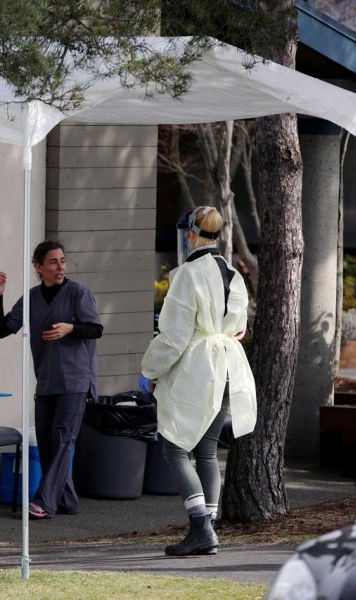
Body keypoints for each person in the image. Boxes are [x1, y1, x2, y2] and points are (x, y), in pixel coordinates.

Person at [139, 206, 257, 556]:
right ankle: (209, 528)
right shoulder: (234, 275)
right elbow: (240, 328)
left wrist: (149, 370)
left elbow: (174, 337)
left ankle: (201, 528)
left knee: (174, 447)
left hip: (199, 368)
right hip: (229, 365)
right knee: (207, 451)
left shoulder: (188, 274)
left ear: (191, 234)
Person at [0, 241, 103, 520]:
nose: (60, 267)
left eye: (62, 261)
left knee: (64, 439)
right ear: (39, 267)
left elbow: (95, 329)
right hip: (47, 381)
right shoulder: (31, 298)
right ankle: (68, 500)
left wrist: (70, 328)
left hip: (76, 380)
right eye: (53, 262)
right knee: (48, 444)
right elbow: (2, 330)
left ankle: (44, 502)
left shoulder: (78, 293)